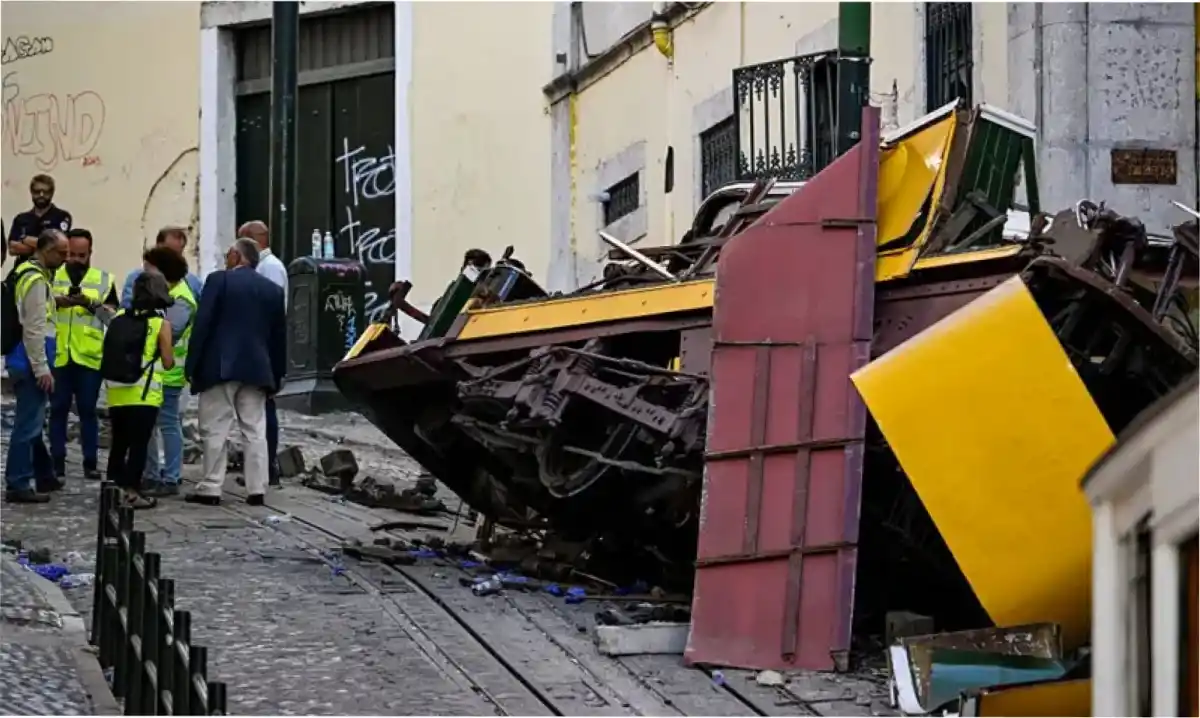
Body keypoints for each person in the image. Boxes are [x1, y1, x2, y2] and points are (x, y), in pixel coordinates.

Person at [185, 238, 286, 507]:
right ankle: (257, 487)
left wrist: (192, 364)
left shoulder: (219, 281)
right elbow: (279, 337)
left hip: (221, 365)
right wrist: (278, 374)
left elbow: (203, 325)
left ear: (234, 256)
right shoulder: (273, 290)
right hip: (258, 369)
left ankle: (211, 486)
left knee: (215, 427)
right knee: (254, 430)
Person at [48, 228, 119, 481]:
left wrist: (90, 304)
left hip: (89, 357)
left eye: (82, 255)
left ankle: (90, 463)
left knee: (88, 411)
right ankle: (57, 463)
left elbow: (113, 320)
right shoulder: (51, 275)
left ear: (90, 253)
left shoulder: (103, 280)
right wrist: (57, 301)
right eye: (72, 254)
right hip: (58, 355)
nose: (77, 260)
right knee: (57, 410)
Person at [4, 230, 68, 503]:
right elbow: (34, 328)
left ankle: (44, 474)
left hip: (25, 358)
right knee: (28, 424)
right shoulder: (35, 280)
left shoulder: (30, 274)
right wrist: (41, 368)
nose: (65, 259)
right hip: (30, 360)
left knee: (34, 419)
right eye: (61, 253)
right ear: (45, 250)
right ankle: (18, 483)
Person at [104, 272, 174, 510]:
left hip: (116, 391)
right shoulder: (160, 324)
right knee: (139, 445)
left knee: (119, 442)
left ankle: (113, 487)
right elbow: (167, 361)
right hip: (144, 393)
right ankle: (133, 492)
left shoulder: (119, 317)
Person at [139, 246, 196, 498]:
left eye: (149, 267)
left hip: (170, 372)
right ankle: (151, 474)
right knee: (149, 424)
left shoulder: (181, 298)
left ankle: (171, 476)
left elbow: (167, 334)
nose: (144, 271)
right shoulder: (163, 292)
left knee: (168, 423)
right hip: (154, 369)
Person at [237, 220, 287, 487]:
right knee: (257, 409)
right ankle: (259, 466)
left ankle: (266, 466)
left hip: (264, 348)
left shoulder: (270, 269)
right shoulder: (265, 268)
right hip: (260, 347)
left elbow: (272, 312)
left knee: (264, 408)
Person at [121, 226, 203, 308]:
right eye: (168, 252)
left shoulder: (193, 282)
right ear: (158, 247)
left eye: (178, 253)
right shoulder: (136, 277)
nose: (172, 258)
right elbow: (127, 307)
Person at [8, 175, 72, 269]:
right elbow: (12, 249)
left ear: (52, 193)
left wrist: (25, 240)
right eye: (37, 191)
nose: (41, 195)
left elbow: (57, 246)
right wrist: (43, 248)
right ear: (31, 192)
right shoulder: (21, 219)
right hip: (23, 269)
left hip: (51, 270)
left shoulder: (61, 216)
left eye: (45, 192)